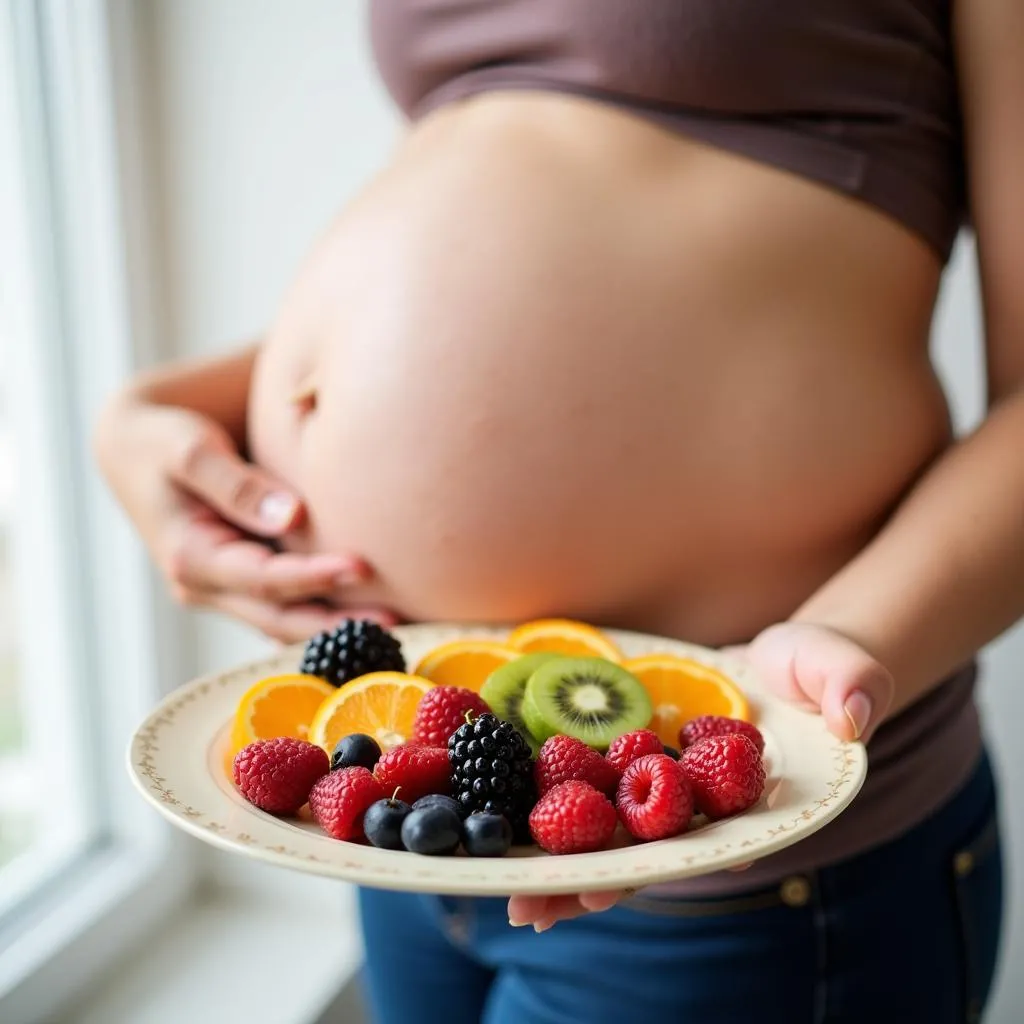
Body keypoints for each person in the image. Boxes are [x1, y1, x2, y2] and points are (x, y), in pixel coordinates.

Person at [95, 2, 1020, 1021]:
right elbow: (502, 208)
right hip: (419, 814)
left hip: (741, 876)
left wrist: (846, 638)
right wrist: (180, 409)